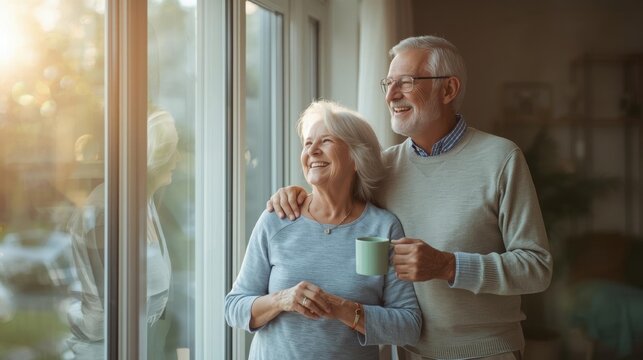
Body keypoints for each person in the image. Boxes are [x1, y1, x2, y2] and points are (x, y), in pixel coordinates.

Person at [267, 35, 553, 360]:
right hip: (405, 352)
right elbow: (336, 205)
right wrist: (296, 195)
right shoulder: (384, 167)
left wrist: (448, 265)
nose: (391, 95)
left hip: (486, 352)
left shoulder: (501, 158)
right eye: (388, 83)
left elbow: (537, 267)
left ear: (448, 90)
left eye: (406, 82)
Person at [225, 100, 421, 360]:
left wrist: (343, 309)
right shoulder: (278, 218)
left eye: (326, 141)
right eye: (307, 143)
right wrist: (282, 300)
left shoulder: (382, 228)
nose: (313, 151)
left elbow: (408, 326)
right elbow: (233, 307)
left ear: (355, 156)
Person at [66, 110, 179, 359]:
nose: (177, 159)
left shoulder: (147, 203)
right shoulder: (106, 212)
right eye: (172, 150)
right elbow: (102, 308)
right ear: (156, 156)